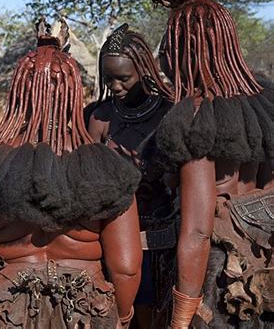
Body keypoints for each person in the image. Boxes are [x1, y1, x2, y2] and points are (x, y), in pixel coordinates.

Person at [0, 18, 143, 328]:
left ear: (18, 93)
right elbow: (126, 267)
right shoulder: (108, 169)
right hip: (84, 312)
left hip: (6, 308)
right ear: (72, 94)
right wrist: (121, 318)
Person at [146, 0, 273, 327]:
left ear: (186, 50)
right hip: (262, 262)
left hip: (217, 276)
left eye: (169, 48)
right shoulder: (263, 100)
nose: (164, 60)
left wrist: (183, 315)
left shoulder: (197, 117)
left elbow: (198, 231)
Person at [88, 24, 174, 328]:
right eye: (108, 78)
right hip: (110, 233)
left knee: (151, 311)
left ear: (144, 71)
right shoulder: (99, 117)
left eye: (123, 78)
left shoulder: (168, 113)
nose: (114, 85)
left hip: (160, 234)